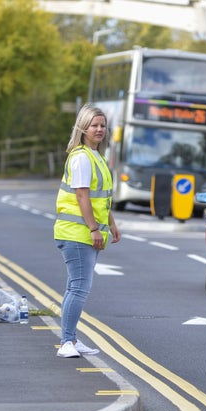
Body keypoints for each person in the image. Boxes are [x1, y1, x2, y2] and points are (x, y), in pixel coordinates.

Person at [54, 104, 121, 357]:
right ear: (83, 127)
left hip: (84, 233)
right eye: (94, 125)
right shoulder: (82, 157)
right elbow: (82, 196)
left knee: (75, 286)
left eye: (103, 125)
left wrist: (111, 223)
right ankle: (66, 343)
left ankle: (70, 339)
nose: (99, 129)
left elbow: (100, 198)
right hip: (77, 233)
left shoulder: (96, 157)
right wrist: (94, 229)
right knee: (79, 288)